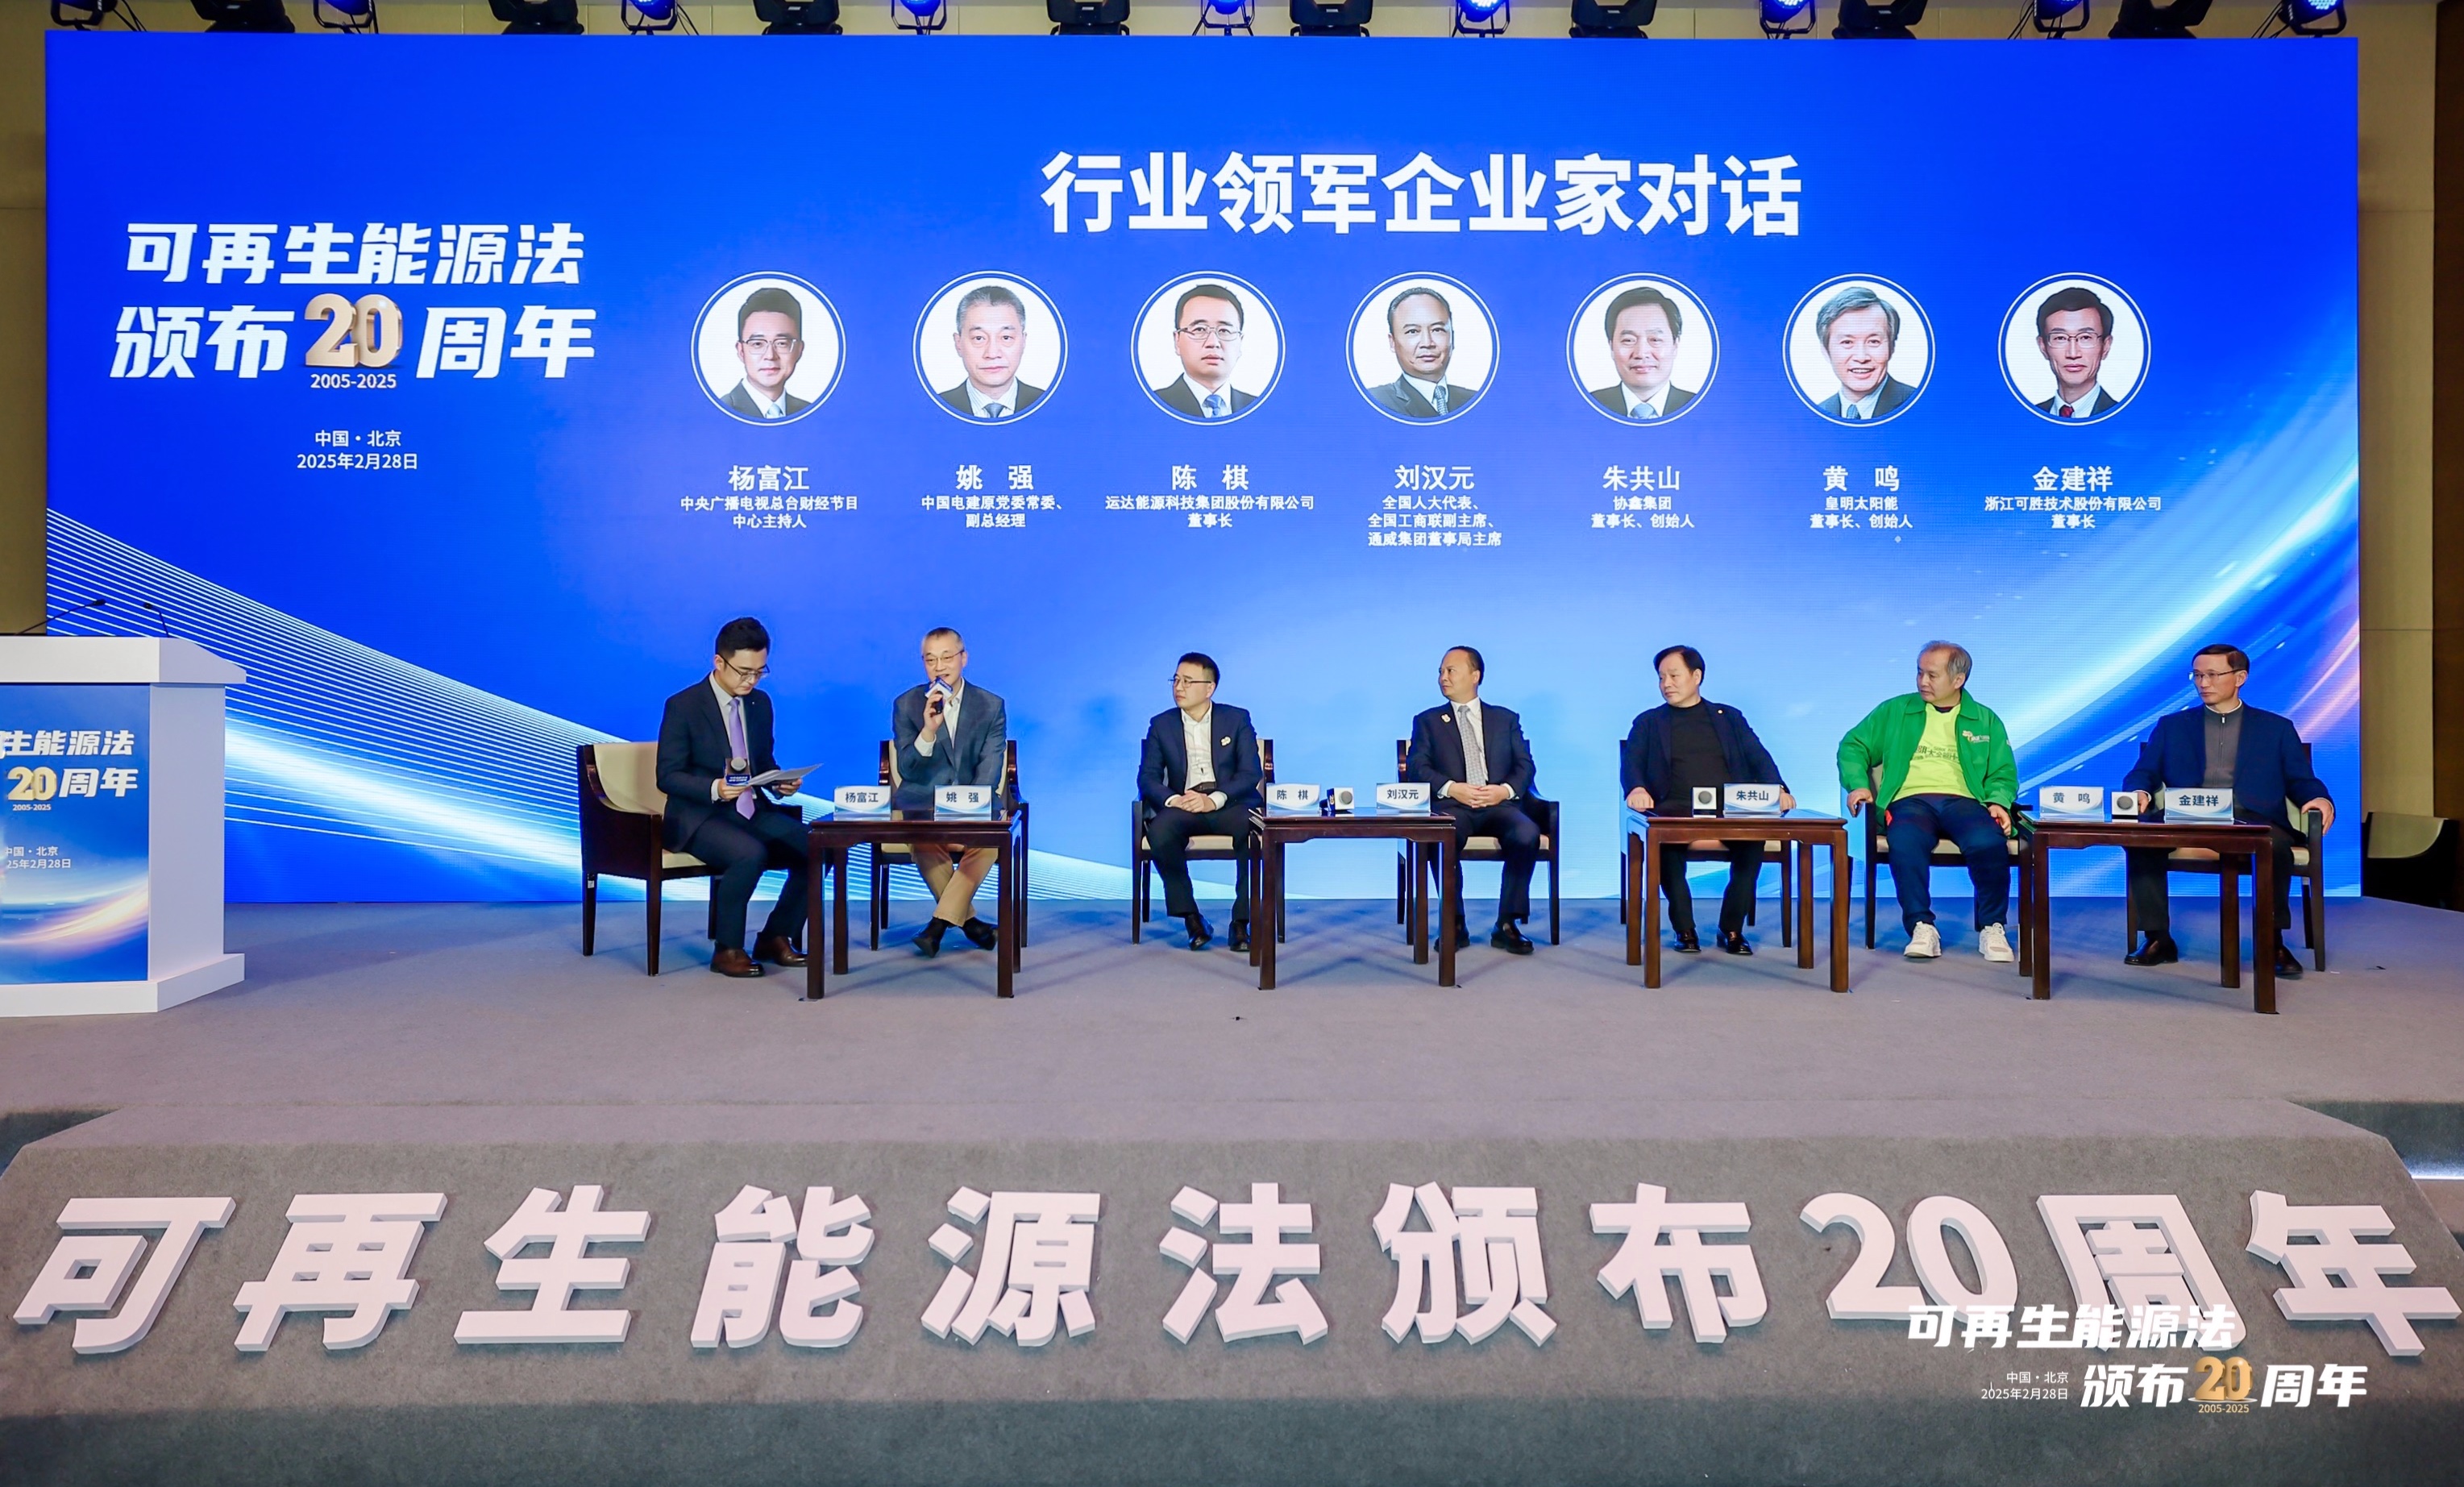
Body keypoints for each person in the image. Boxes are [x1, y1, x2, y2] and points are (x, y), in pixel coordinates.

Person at [2121, 644, 2333, 978]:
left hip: (2251, 816)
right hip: (2185, 814)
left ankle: (2272, 941)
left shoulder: (2276, 728)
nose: (2203, 683)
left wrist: (2320, 798)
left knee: (2274, 845)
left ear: (2240, 678)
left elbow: (2301, 779)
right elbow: (2144, 772)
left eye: (2212, 675)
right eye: (2197, 675)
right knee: (2141, 839)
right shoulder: (2172, 726)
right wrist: (2139, 792)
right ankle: (2158, 938)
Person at [1837, 642, 2020, 962]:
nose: (1923, 681)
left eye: (1932, 675)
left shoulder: (1985, 719)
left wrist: (1998, 801)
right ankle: (1922, 926)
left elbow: (2003, 772)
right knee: (1905, 840)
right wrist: (1859, 785)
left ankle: (1992, 926)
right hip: (1910, 801)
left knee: (1988, 840)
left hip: (1965, 802)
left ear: (1958, 680)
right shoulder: (1895, 710)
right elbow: (1853, 746)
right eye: (1919, 672)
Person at [655, 617, 812, 978]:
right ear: (719, 662)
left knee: (818, 848)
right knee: (749, 853)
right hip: (700, 816)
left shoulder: (760, 704)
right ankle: (727, 949)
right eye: (744, 672)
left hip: (750, 809)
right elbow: (667, 776)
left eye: (760, 672)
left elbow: (763, 762)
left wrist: (779, 782)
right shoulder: (683, 705)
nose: (751, 681)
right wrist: (715, 788)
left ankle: (775, 936)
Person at [1621, 646, 1792, 956]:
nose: (1666, 684)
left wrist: (1779, 789)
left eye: (1674, 676)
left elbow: (1757, 756)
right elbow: (1632, 763)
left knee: (1752, 843)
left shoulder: (1729, 718)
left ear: (1696, 676)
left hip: (1731, 809)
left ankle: (1731, 929)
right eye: (1661, 677)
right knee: (1665, 846)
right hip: (1673, 810)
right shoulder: (1648, 722)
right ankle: (1684, 929)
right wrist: (1636, 789)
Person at [1407, 646, 1538, 955]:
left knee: (1527, 833)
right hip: (1453, 806)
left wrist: (1503, 790)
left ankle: (1507, 923)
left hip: (1498, 804)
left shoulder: (1505, 719)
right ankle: (1454, 922)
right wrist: (1453, 788)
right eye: (1441, 672)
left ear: (1475, 676)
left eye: (1450, 671)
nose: (1443, 677)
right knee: (1442, 836)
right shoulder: (1428, 721)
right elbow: (1417, 767)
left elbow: (1525, 765)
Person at [890, 627, 1009, 957]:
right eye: (930, 660)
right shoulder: (907, 704)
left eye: (947, 658)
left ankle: (938, 926)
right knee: (922, 838)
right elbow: (907, 770)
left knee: (991, 840)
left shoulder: (990, 705)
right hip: (924, 808)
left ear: (963, 658)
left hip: (973, 806)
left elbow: (990, 767)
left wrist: (967, 810)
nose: (939, 667)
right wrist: (928, 731)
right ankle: (972, 925)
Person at [1137, 652, 1262, 952]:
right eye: (1176, 680)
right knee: (1160, 831)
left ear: (1209, 688)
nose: (1178, 687)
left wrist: (1214, 800)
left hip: (1228, 803)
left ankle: (1241, 922)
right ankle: (1191, 918)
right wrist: (1174, 799)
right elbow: (1148, 778)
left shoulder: (1237, 719)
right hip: (1185, 803)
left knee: (1254, 832)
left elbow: (1251, 773)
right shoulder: (1161, 725)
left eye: (1187, 681)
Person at [1368, 287, 1481, 420]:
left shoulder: (1476, 400)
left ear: (1452, 337)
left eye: (1437, 330)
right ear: (1392, 342)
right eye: (1412, 331)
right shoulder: (1374, 402)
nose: (1427, 343)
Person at [1588, 285, 1697, 421]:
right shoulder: (1587, 406)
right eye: (1628, 340)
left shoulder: (1701, 408)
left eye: (1655, 340)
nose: (1641, 353)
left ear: (1675, 345)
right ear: (1611, 347)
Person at [937, 284, 1045, 420]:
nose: (992, 354)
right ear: (958, 343)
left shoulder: (1050, 404)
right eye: (979, 338)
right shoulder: (934, 408)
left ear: (1023, 342)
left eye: (1006, 337)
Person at [1811, 285, 1917, 422]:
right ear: (1826, 351)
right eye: (1847, 342)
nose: (1861, 357)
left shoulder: (1920, 405)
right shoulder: (1815, 416)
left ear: (1892, 347)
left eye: (1873, 342)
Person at [1153, 285, 1256, 420]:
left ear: (1240, 342)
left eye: (1224, 330)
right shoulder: (1152, 405)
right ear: (1177, 340)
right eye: (1200, 329)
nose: (1213, 343)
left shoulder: (1261, 409)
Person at [720, 287, 811, 421]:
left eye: (782, 343)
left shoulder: (811, 413)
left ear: (799, 350)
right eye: (758, 344)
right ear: (741, 351)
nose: (770, 356)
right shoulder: (720, 412)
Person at [2031, 285, 2120, 421]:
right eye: (2060, 338)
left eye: (2085, 337)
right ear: (2043, 347)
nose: (2073, 353)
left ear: (2106, 346)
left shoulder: (2127, 418)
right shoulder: (2026, 418)